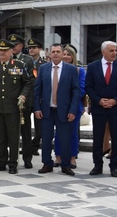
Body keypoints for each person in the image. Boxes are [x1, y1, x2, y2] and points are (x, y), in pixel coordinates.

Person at [85, 40, 117, 177]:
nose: (114, 53)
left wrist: (115, 100)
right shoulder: (93, 67)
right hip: (99, 108)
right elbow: (88, 86)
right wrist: (99, 100)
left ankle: (114, 166)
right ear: (103, 52)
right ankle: (97, 165)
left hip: (116, 108)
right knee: (98, 138)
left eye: (115, 50)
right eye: (111, 50)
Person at [0, 39, 32, 174]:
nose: (2, 53)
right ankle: (0, 162)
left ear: (11, 51)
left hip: (13, 107)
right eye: (0, 51)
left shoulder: (19, 65)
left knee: (13, 137)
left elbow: (27, 83)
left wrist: (23, 96)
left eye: (5, 51)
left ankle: (13, 163)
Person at [34, 44, 82, 176]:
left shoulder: (71, 69)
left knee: (65, 138)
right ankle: (46, 163)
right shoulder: (43, 69)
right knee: (46, 138)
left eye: (58, 52)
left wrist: (72, 110)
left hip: (64, 111)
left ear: (62, 54)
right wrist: (37, 108)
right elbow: (37, 90)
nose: (55, 54)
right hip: (46, 111)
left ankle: (66, 165)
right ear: (49, 54)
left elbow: (76, 91)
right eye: (53, 52)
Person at [7, 34, 36, 169]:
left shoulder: (28, 60)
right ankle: (10, 157)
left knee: (25, 132)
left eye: (15, 45)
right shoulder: (5, 59)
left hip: (24, 102)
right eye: (10, 45)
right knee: (9, 131)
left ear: (21, 46)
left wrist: (23, 97)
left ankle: (27, 158)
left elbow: (31, 81)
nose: (13, 48)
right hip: (8, 102)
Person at [56, 45, 86, 168]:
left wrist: (69, 99)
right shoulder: (57, 69)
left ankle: (72, 158)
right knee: (58, 132)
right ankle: (58, 156)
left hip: (74, 105)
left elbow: (82, 89)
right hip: (59, 105)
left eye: (69, 54)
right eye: (65, 54)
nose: (66, 57)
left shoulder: (79, 70)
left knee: (73, 133)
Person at [27, 38, 46, 156]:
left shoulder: (44, 64)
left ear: (39, 49)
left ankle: (35, 145)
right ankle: (27, 146)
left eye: (34, 48)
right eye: (29, 48)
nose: (31, 50)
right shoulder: (25, 62)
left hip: (39, 98)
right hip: (27, 96)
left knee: (39, 125)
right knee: (25, 125)